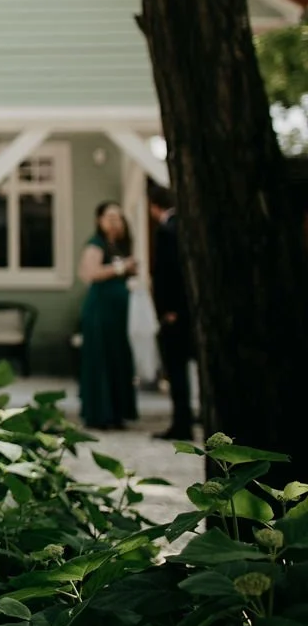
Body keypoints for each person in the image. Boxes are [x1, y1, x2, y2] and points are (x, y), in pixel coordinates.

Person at [77, 201, 139, 431]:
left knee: (118, 356)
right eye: (110, 217)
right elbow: (88, 273)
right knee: (100, 356)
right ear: (99, 220)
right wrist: (121, 268)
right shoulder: (95, 245)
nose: (114, 222)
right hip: (100, 310)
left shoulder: (120, 246)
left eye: (118, 217)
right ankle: (99, 412)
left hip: (119, 312)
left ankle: (118, 411)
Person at [148, 184, 195, 441]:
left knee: (177, 371)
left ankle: (182, 422)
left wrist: (168, 310)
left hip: (176, 313)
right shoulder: (187, 226)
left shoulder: (167, 231)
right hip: (190, 311)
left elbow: (168, 275)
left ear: (153, 205)